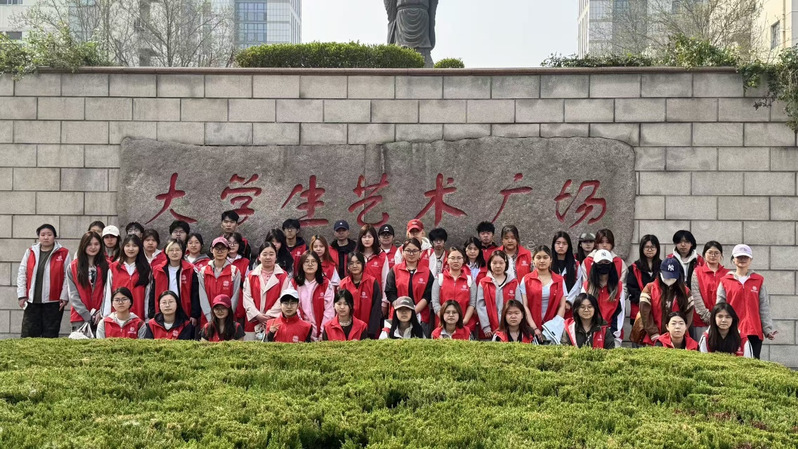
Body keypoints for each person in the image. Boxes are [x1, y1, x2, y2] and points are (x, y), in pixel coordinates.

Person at [717, 244, 776, 359]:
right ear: (733, 259)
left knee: (753, 363)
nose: (742, 259)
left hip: (754, 330)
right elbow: (719, 307)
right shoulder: (725, 281)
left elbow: (764, 306)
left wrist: (767, 329)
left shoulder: (758, 280)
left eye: (745, 257)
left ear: (750, 260)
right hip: (732, 330)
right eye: (739, 257)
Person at [17, 224, 71, 338]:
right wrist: (22, 295)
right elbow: (22, 273)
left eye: (49, 234)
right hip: (32, 302)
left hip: (54, 303)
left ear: (54, 236)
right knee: (29, 336)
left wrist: (64, 296)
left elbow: (68, 276)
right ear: (38, 237)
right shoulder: (30, 252)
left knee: (50, 335)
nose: (46, 237)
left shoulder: (63, 253)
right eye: (43, 235)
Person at [384, 238, 434, 337]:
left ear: (420, 253)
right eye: (408, 250)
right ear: (403, 252)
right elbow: (390, 292)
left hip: (421, 316)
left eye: (415, 251)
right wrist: (401, 308)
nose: (411, 254)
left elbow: (428, 295)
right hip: (397, 314)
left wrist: (414, 311)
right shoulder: (395, 270)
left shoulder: (427, 272)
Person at [639, 257, 694, 346]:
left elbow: (689, 314)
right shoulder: (649, 289)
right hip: (653, 338)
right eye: (667, 276)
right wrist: (654, 333)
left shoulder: (685, 291)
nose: (669, 279)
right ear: (660, 273)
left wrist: (680, 332)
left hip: (677, 339)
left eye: (673, 277)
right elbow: (645, 313)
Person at [244, 243, 291, 341]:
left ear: (276, 257)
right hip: (253, 320)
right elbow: (247, 298)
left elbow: (283, 298)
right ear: (259, 257)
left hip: (274, 320)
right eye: (264, 254)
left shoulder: (283, 276)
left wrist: (269, 315)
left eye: (271, 254)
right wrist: (257, 315)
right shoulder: (251, 276)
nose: (268, 257)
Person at [518, 245, 566, 337]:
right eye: (538, 257)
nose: (542, 261)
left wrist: (553, 327)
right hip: (530, 327)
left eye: (545, 257)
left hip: (553, 328)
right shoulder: (526, 279)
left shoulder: (559, 280)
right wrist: (534, 328)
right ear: (533, 260)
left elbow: (562, 306)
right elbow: (525, 306)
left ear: (551, 259)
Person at [150, 239, 200, 324]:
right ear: (166, 252)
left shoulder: (190, 269)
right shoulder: (158, 270)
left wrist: (194, 314)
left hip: (184, 311)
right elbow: (152, 293)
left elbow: (195, 293)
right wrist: (152, 313)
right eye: (171, 250)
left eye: (177, 250)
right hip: (163, 311)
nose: (174, 253)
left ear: (182, 252)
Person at [66, 231, 108, 332]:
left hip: (101, 318)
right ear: (83, 245)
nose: (93, 247)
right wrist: (86, 315)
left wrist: (101, 312)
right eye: (89, 244)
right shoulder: (73, 267)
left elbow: (108, 292)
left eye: (96, 244)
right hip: (79, 317)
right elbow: (73, 294)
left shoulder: (108, 266)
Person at [582, 249, 625, 347]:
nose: (603, 265)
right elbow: (582, 310)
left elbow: (620, 313)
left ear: (611, 265)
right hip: (591, 332)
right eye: (600, 263)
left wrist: (614, 334)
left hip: (612, 333)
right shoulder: (586, 286)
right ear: (594, 265)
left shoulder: (619, 287)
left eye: (606, 262)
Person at [103, 235, 152, 321]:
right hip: (117, 317)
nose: (131, 249)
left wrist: (147, 316)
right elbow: (108, 293)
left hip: (138, 315)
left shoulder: (146, 269)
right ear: (123, 247)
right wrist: (106, 315)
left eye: (134, 246)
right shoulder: (114, 267)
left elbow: (148, 294)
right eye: (128, 245)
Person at [288, 251, 334, 341]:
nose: (310, 264)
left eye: (313, 261)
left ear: (318, 264)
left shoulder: (326, 283)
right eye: (306, 262)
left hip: (320, 331)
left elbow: (329, 310)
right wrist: (302, 328)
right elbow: (293, 308)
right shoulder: (294, 283)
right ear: (301, 264)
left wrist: (323, 331)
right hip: (299, 330)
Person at [196, 237, 242, 327]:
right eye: (217, 248)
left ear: (228, 250)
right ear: (211, 250)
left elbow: (235, 296)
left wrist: (227, 316)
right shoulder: (203, 271)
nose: (220, 251)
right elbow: (202, 296)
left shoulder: (234, 271)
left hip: (228, 320)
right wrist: (210, 318)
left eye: (223, 249)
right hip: (207, 320)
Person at [431, 247, 477, 333]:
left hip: (465, 326)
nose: (456, 261)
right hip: (442, 326)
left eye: (459, 258)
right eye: (452, 258)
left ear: (463, 260)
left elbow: (472, 304)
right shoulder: (439, 279)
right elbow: (435, 303)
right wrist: (445, 319)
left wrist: (464, 321)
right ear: (447, 260)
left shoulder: (470, 280)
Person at [338, 252, 383, 339]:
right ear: (347, 266)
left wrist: (371, 332)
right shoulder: (343, 284)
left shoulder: (372, 282)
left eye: (358, 263)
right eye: (351, 263)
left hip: (368, 330)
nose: (355, 266)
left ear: (363, 264)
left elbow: (376, 309)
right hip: (348, 331)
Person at [476, 250, 518, 340]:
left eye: (501, 263)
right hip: (488, 331)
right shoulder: (484, 283)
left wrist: (506, 325)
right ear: (489, 264)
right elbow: (480, 306)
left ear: (506, 264)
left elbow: (518, 306)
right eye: (494, 263)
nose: (498, 266)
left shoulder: (513, 282)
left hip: (509, 329)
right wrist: (486, 327)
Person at [691, 241, 729, 341]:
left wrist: (719, 317)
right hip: (701, 321)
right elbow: (695, 295)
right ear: (704, 254)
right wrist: (708, 317)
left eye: (716, 253)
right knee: (702, 347)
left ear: (721, 255)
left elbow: (728, 297)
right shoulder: (697, 272)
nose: (713, 255)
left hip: (722, 321)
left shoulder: (727, 274)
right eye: (710, 252)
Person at [579, 229, 628, 294]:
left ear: (612, 244)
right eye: (601, 242)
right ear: (596, 244)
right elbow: (583, 284)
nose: (604, 245)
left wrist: (617, 296)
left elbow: (623, 286)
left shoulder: (619, 262)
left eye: (608, 242)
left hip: (613, 298)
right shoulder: (587, 261)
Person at [627, 235, 661, 326]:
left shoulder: (662, 266)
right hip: (639, 310)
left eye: (652, 247)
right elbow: (632, 288)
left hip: (658, 310)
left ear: (657, 248)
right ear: (642, 248)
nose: (650, 250)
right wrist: (645, 301)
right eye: (647, 247)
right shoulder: (634, 268)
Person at [551, 231, 581, 307]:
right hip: (551, 304)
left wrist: (569, 301)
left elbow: (578, 285)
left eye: (564, 243)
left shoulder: (576, 265)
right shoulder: (548, 264)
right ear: (554, 245)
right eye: (558, 243)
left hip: (570, 306)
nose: (561, 246)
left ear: (568, 246)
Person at [357, 224, 390, 294]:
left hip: (376, 295)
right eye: (364, 237)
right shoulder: (356, 255)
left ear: (374, 238)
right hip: (358, 294)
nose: (367, 239)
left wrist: (384, 299)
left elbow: (385, 280)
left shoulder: (382, 256)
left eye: (369, 237)